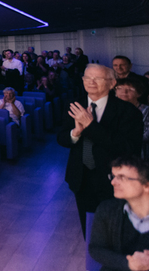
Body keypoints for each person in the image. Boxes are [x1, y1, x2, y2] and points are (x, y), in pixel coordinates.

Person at [58, 64, 144, 238]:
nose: (91, 82)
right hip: (81, 177)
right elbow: (61, 138)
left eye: (98, 78)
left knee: (115, 229)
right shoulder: (74, 105)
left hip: (113, 180)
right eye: (87, 77)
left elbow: (128, 148)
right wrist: (75, 133)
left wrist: (91, 126)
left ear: (112, 83)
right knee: (89, 229)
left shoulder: (128, 111)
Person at [89, 157, 149, 271]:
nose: (113, 182)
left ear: (146, 185)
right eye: (113, 176)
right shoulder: (107, 209)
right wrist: (128, 264)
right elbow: (96, 249)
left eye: (122, 178)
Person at [114, 77, 149, 160]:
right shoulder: (111, 109)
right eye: (119, 88)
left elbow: (146, 136)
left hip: (139, 157)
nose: (124, 92)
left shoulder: (146, 111)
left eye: (130, 89)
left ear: (139, 93)